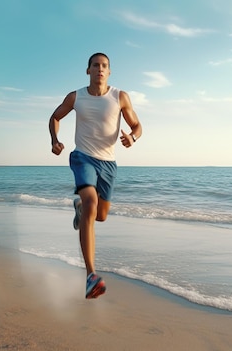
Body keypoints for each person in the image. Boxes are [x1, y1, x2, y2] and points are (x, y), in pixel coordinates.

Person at [48, 52, 143, 299]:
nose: (100, 69)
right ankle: (91, 276)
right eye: (95, 65)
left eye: (104, 66)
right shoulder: (76, 96)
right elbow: (55, 117)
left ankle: (80, 207)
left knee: (100, 216)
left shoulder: (119, 97)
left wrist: (132, 137)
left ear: (109, 72)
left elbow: (137, 126)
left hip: (108, 164)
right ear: (88, 70)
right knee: (92, 204)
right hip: (82, 157)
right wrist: (55, 140)